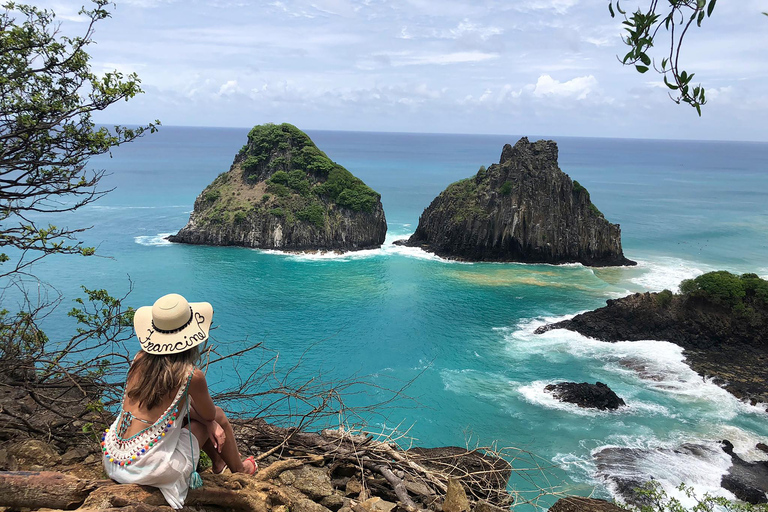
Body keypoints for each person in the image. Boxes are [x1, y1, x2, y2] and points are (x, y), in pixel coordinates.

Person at [101, 293, 256, 509]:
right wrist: (211, 423)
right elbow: (210, 415)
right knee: (216, 418)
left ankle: (220, 462)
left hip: (114, 459)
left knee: (199, 419)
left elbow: (165, 410)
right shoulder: (190, 375)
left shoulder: (139, 359)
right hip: (147, 469)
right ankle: (240, 470)